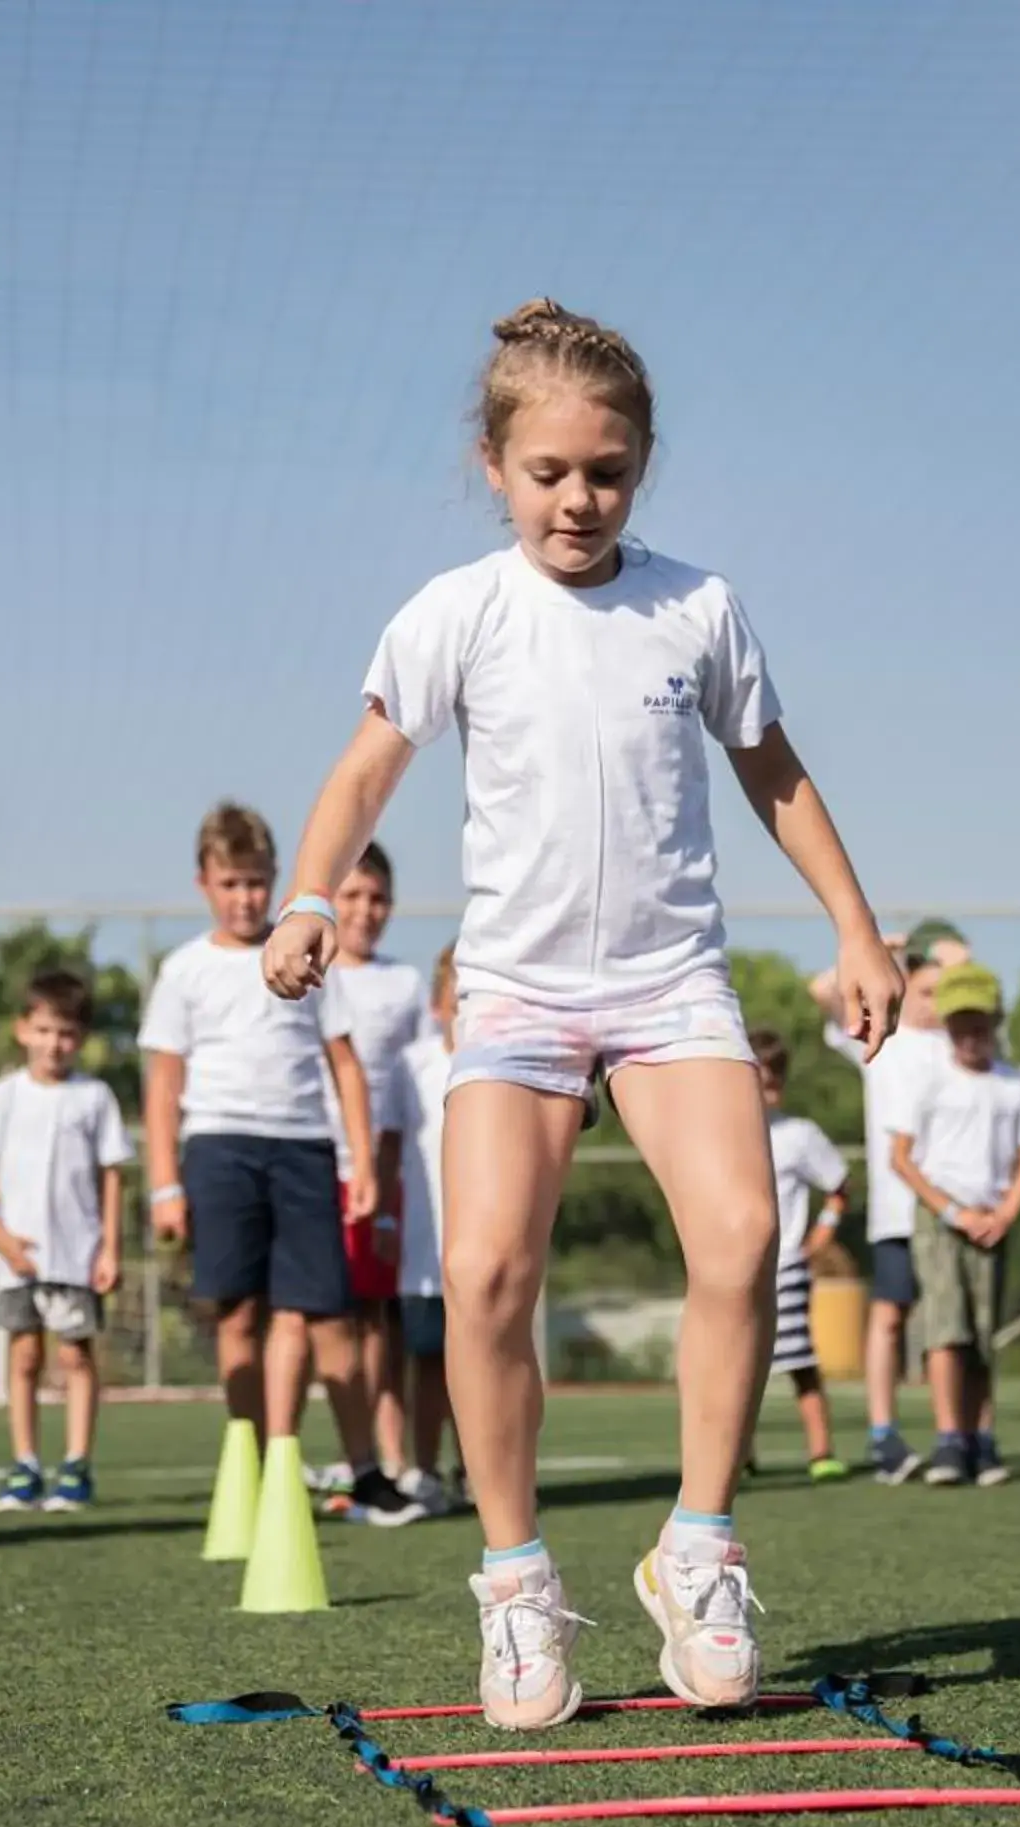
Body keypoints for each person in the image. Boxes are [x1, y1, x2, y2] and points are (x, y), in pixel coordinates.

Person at [261, 299, 903, 1729]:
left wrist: (857, 926)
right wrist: (310, 894)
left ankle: (698, 1550)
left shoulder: (699, 607)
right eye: (548, 471)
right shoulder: (459, 610)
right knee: (487, 1275)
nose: (578, 498)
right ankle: (515, 1584)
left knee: (744, 1234)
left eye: (606, 472)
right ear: (495, 465)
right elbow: (367, 772)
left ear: (644, 465)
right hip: (522, 989)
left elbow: (775, 775)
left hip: (674, 984)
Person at [141, 802, 415, 1526]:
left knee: (328, 1316)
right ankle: (256, 1473)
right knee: (236, 1314)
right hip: (219, 1147)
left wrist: (358, 1165)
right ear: (204, 882)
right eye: (232, 884)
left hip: (304, 1149)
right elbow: (164, 1083)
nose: (247, 899)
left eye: (259, 883)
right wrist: (165, 1182)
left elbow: (346, 1066)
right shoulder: (184, 971)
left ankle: (366, 1473)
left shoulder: (304, 952)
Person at [0, 967, 132, 1514]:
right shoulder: (3, 1095)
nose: (54, 1044)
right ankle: (25, 1463)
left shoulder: (94, 1097)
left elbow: (111, 1174)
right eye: (44, 1030)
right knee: (25, 1355)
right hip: (18, 1258)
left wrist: (109, 1247)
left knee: (75, 1356)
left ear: (80, 1039)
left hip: (76, 1254)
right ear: (22, 1030)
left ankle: (77, 1465)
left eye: (66, 1034)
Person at [885, 961, 1020, 1490]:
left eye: (979, 1023)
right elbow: (902, 1157)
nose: (970, 1035)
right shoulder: (930, 1080)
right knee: (946, 1330)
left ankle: (982, 1436)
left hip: (991, 1221)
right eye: (959, 1023)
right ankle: (948, 1438)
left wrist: (1004, 1214)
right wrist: (950, 1210)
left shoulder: (1014, 1086)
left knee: (982, 1336)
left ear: (995, 1022)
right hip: (942, 1221)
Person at [814, 932, 963, 1482]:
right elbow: (822, 989)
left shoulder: (963, 1045)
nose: (935, 1003)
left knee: (955, 1328)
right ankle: (884, 1435)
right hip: (901, 1208)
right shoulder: (885, 1037)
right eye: (927, 991)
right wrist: (876, 949)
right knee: (891, 1316)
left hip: (955, 1210)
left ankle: (964, 1435)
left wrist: (953, 959)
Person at [322, 843, 434, 1509]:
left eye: (378, 899)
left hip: (387, 1173)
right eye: (353, 897)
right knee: (333, 1319)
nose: (366, 912)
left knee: (384, 1321)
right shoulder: (315, 973)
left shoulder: (405, 984)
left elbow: (417, 1081)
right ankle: (354, 1454)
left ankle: (393, 1460)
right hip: (320, 1161)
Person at [754, 1029, 851, 1481]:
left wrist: (820, 1237)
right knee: (734, 1360)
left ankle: (820, 1451)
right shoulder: (718, 1133)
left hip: (786, 1263)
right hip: (734, 1266)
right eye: (758, 1073)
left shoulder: (799, 1135)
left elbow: (838, 1187)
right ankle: (737, 1456)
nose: (768, 1084)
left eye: (775, 1076)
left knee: (797, 1360)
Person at [392, 946, 463, 1512]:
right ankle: (424, 1468)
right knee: (427, 1358)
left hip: (484, 1246)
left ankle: (479, 1469)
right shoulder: (411, 1064)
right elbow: (391, 1142)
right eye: (458, 998)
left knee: (486, 1356)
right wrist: (388, 1218)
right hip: (423, 1243)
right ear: (439, 1004)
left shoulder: (502, 1064)